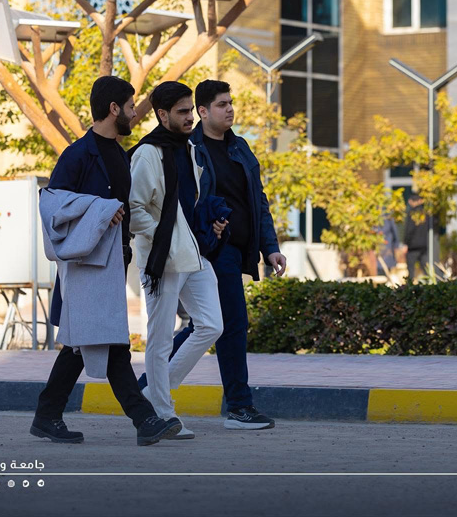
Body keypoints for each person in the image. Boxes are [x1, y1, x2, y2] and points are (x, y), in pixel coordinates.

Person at [31, 75, 179, 447]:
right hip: (85, 267)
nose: (134, 113)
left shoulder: (119, 154)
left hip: (113, 263)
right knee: (111, 341)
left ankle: (47, 415)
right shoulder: (78, 155)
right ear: (114, 109)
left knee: (83, 343)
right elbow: (52, 206)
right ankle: (145, 420)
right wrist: (99, 210)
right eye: (130, 106)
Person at [141, 79, 285, 430]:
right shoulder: (189, 148)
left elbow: (258, 201)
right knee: (231, 323)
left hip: (235, 249)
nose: (230, 109)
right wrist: (201, 228)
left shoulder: (240, 148)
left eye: (230, 102)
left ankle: (146, 388)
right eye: (222, 104)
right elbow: (184, 202)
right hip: (211, 248)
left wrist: (270, 247)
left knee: (207, 325)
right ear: (204, 111)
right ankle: (238, 407)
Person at [129, 81, 224, 439]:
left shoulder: (189, 148)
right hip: (162, 258)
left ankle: (155, 392)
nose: (189, 117)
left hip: (192, 252)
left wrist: (207, 223)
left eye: (190, 110)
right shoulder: (148, 153)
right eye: (182, 112)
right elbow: (134, 208)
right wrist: (163, 237)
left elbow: (189, 202)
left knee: (211, 325)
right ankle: (163, 413)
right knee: (160, 339)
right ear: (162, 114)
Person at [403, 195, 430, 283]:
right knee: (425, 269)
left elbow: (409, 230)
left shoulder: (412, 213)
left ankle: (410, 287)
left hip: (413, 246)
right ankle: (430, 285)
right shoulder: (426, 213)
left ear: (412, 201)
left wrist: (406, 243)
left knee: (411, 271)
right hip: (424, 246)